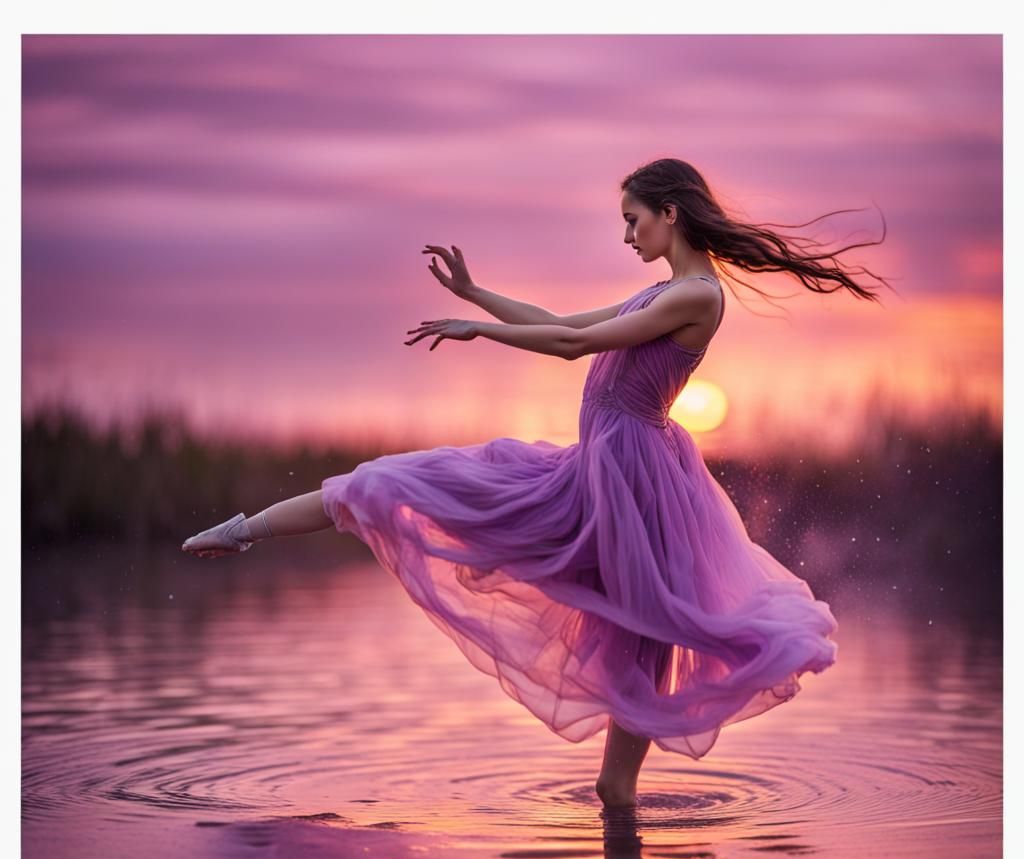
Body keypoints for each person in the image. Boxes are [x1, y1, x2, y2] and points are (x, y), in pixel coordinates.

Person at [182, 157, 888, 809]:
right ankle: (244, 531)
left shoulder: (698, 298)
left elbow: (573, 346)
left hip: (637, 488)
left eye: (632, 219)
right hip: (594, 470)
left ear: (670, 212)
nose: (626, 235)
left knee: (637, 663)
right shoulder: (662, 290)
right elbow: (559, 323)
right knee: (389, 479)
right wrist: (476, 295)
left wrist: (477, 332)